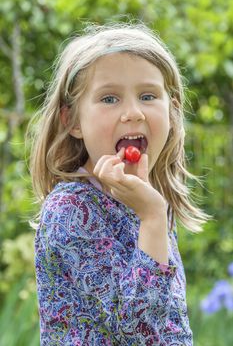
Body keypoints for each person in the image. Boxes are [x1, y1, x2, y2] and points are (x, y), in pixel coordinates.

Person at [28, 22, 211, 345]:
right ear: (71, 121)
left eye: (148, 96)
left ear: (172, 110)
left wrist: (153, 213)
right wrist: (152, 217)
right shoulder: (71, 209)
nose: (133, 113)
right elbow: (137, 328)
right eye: (110, 98)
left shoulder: (147, 200)